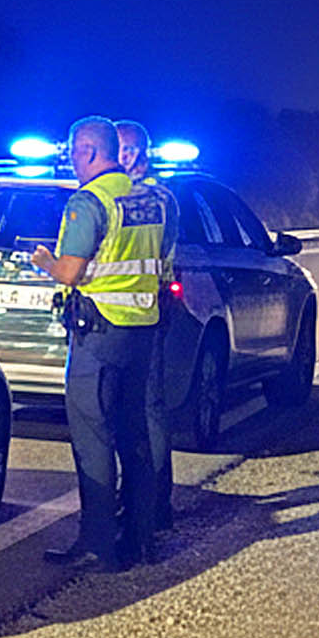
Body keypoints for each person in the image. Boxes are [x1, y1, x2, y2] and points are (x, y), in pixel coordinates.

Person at [30, 115, 168, 570]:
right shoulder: (152, 199)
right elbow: (162, 258)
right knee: (134, 436)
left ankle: (97, 543)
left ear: (88, 150)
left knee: (92, 438)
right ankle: (142, 539)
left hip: (98, 334)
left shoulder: (89, 202)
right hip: (142, 332)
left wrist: (44, 261)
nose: (71, 162)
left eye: (73, 153)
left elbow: (71, 271)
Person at [115, 118, 182, 546]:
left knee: (146, 409)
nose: (123, 157)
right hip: (126, 311)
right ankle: (147, 501)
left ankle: (154, 501)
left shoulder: (147, 197)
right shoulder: (155, 196)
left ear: (139, 152)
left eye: (126, 150)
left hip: (141, 312)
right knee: (135, 409)